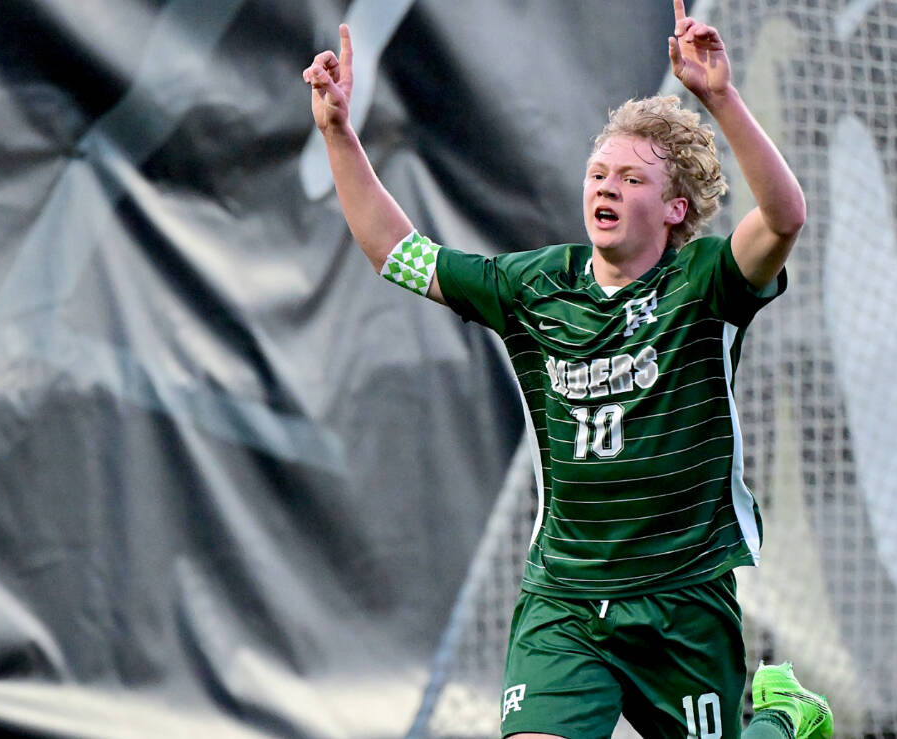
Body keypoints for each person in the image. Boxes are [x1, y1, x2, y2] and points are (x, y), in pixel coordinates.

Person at [304, 2, 833, 737]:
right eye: (597, 172)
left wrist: (719, 97)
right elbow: (396, 252)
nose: (606, 187)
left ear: (675, 208)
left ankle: (785, 720)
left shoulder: (705, 282)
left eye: (631, 179)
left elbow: (783, 218)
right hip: (566, 600)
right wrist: (337, 133)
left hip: (682, 600)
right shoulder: (533, 286)